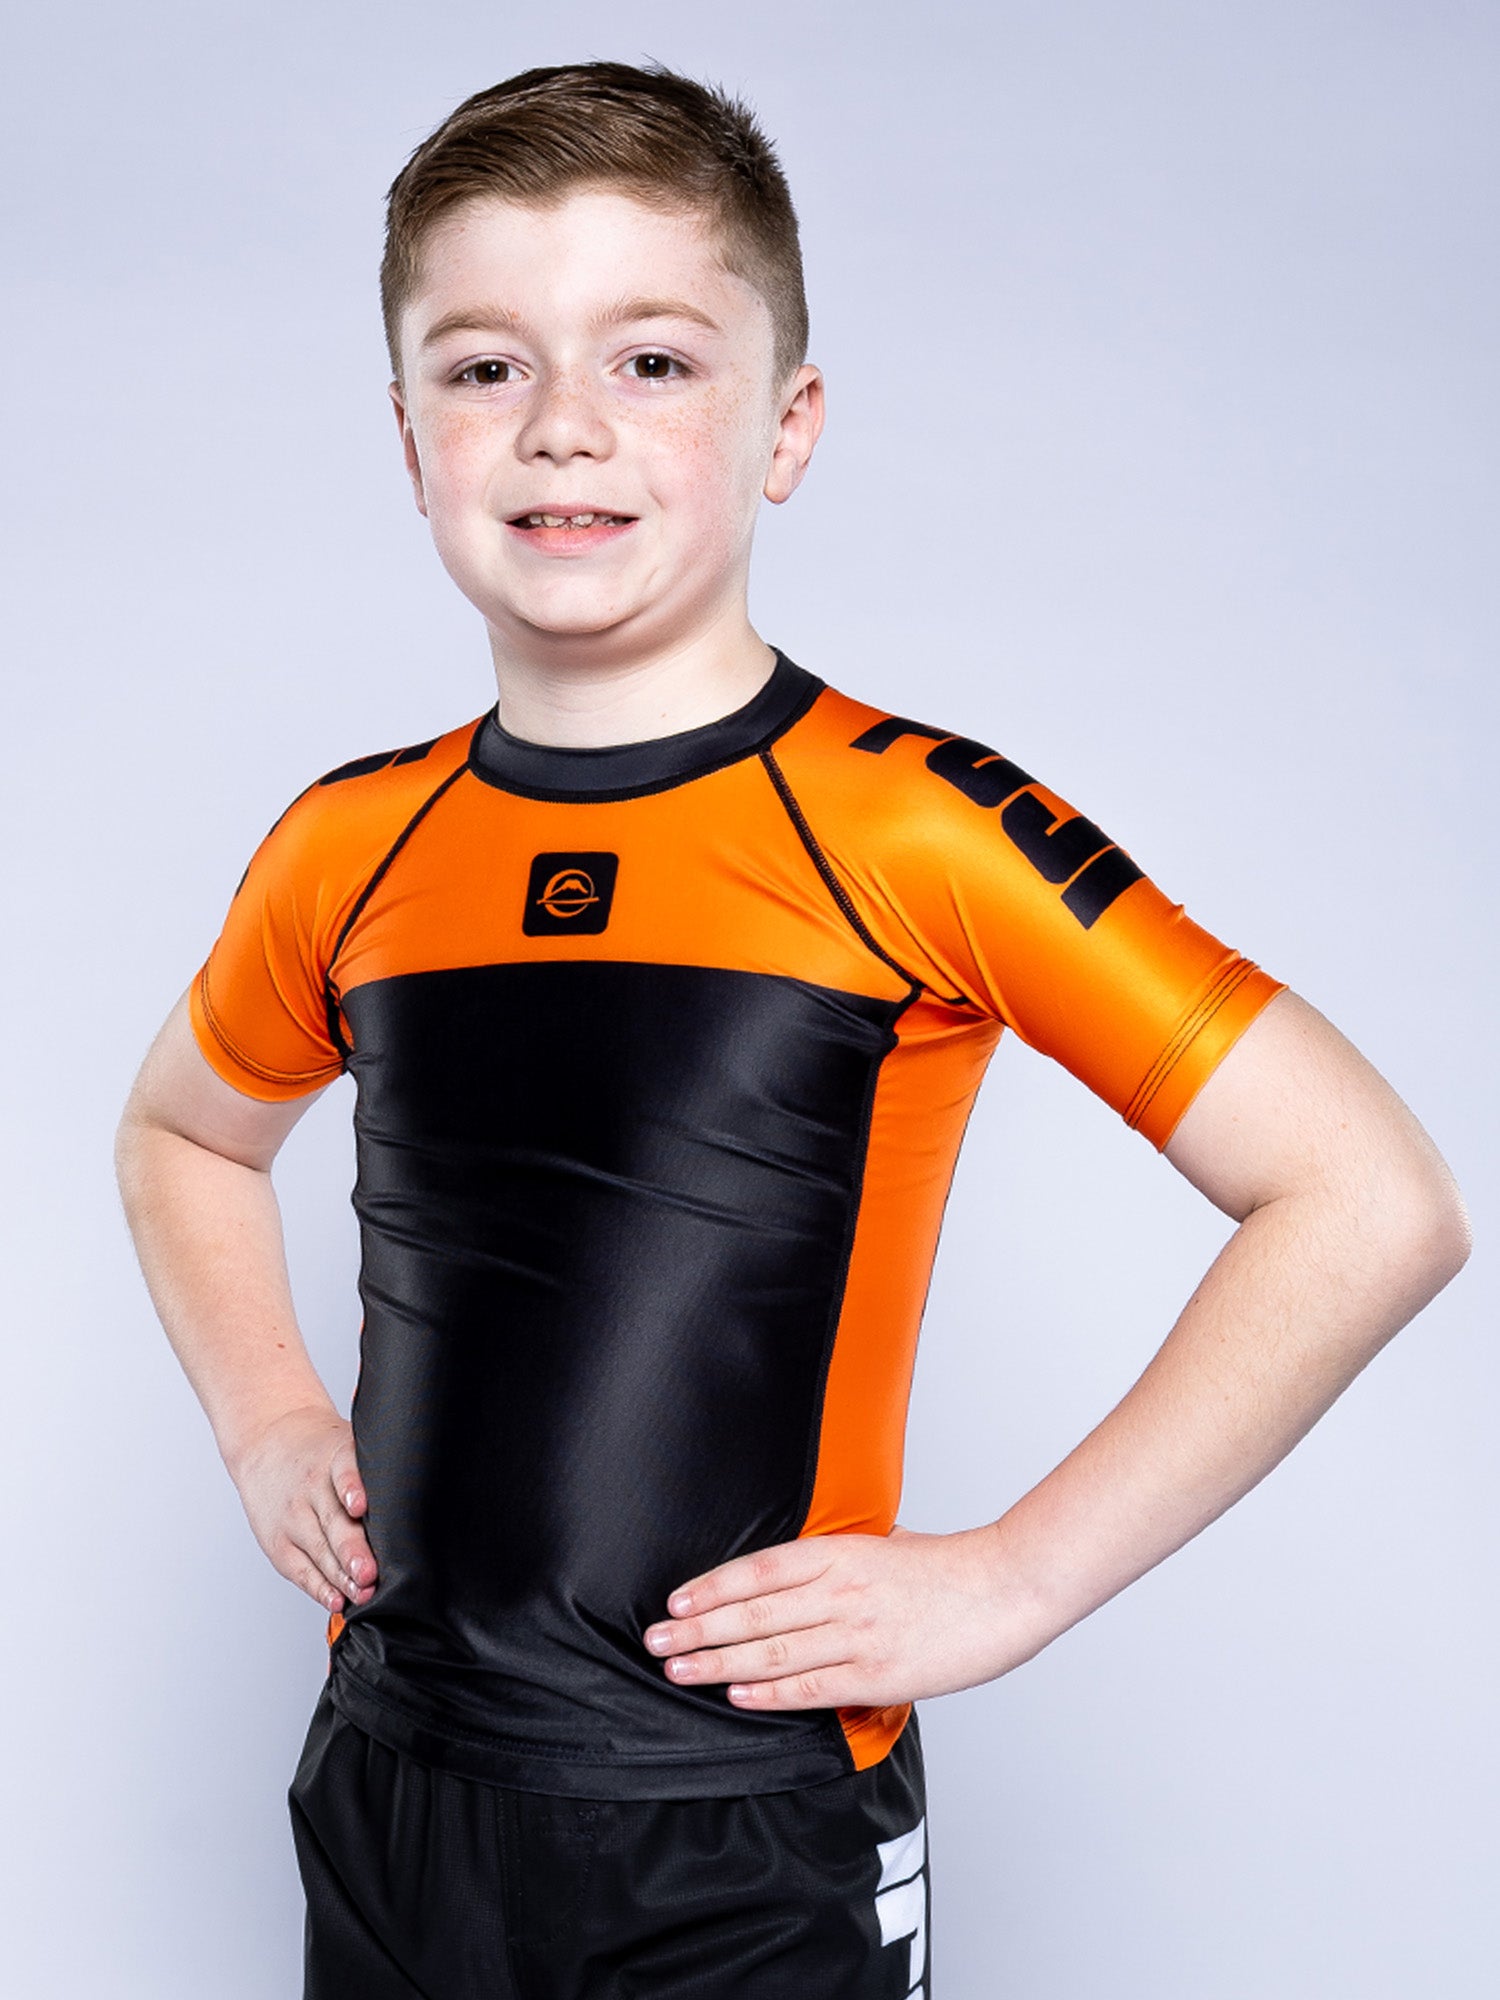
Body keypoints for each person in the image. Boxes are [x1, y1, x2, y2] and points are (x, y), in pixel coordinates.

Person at [115, 59, 1469, 2000]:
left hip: (743, 1830)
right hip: (397, 1784)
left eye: (653, 362)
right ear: (406, 437)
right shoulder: (354, 843)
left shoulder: (907, 823)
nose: (563, 424)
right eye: (483, 365)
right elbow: (178, 1132)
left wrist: (1012, 1576)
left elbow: (1370, 1196)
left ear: (789, 426)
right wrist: (261, 1417)